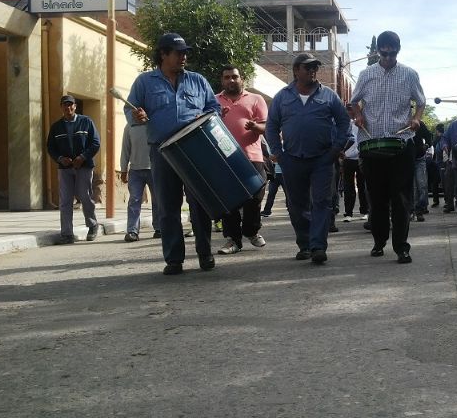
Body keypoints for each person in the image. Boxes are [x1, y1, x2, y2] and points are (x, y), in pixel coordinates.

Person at [125, 32, 221, 275]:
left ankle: (205, 253)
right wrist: (138, 116)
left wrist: (207, 116)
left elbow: (214, 108)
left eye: (185, 53)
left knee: (199, 204)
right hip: (163, 152)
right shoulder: (144, 82)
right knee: (168, 206)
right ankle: (174, 259)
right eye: (179, 53)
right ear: (163, 55)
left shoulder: (198, 81)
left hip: (195, 150)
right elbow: (131, 112)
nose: (183, 57)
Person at [265, 52, 350, 264]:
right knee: (297, 205)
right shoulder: (282, 97)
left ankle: (318, 246)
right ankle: (304, 244)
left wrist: (336, 148)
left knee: (322, 202)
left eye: (315, 67)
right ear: (296, 71)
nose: (313, 71)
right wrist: (278, 153)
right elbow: (271, 126)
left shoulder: (329, 95)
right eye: (308, 67)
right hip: (292, 159)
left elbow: (344, 123)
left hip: (322, 159)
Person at [350, 31, 426, 264]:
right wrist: (359, 115)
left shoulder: (409, 74)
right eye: (384, 53)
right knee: (377, 197)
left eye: (393, 53)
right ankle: (379, 241)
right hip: (371, 144)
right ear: (378, 52)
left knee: (402, 198)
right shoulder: (366, 75)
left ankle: (402, 247)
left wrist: (416, 118)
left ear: (398, 50)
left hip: (401, 143)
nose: (389, 57)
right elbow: (353, 101)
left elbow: (421, 102)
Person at [215, 64, 268, 255]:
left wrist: (255, 126)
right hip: (224, 159)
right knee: (229, 202)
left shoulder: (256, 99)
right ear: (222, 80)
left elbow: (266, 127)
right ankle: (233, 240)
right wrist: (217, 116)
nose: (231, 80)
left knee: (255, 196)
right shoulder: (215, 101)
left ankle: (251, 230)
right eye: (227, 77)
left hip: (252, 157)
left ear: (241, 79)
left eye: (234, 77)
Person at [46, 95, 100, 245]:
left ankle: (92, 225)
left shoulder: (86, 122)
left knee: (85, 196)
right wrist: (60, 158)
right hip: (65, 168)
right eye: (65, 105)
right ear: (61, 107)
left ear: (75, 106)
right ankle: (67, 233)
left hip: (84, 166)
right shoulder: (56, 127)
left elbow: (95, 143)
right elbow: (50, 147)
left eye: (70, 105)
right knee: (65, 201)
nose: (68, 108)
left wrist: (82, 157)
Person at [120, 124, 160, 242]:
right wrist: (123, 169)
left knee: (157, 199)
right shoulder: (129, 126)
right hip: (135, 171)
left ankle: (159, 228)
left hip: (154, 168)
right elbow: (125, 149)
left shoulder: (154, 123)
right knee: (134, 200)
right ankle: (132, 231)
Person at [341, 106, 369, 222]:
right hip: (347, 159)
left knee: (362, 186)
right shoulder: (345, 125)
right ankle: (348, 212)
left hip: (360, 157)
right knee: (348, 186)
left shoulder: (363, 123)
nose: (349, 114)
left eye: (350, 111)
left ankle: (365, 211)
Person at [411, 121, 432, 221]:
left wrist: (426, 145)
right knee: (411, 187)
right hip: (405, 160)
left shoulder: (418, 123)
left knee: (422, 185)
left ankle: (419, 209)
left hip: (419, 158)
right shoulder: (398, 122)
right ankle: (411, 210)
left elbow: (428, 136)